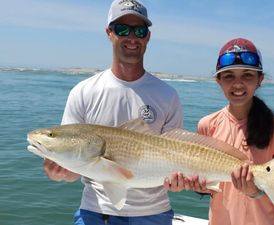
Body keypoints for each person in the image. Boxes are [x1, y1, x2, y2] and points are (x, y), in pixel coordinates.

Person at [42, 0, 188, 224]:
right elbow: (74, 170)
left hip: (154, 214)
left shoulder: (168, 95)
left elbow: (175, 157)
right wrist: (58, 171)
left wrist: (180, 181)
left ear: (147, 36)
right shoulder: (83, 92)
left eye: (139, 30)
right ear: (109, 33)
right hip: (95, 212)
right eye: (122, 29)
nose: (132, 37)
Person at [194, 38, 274, 225]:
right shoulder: (207, 125)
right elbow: (207, 184)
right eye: (228, 76)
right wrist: (198, 186)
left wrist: (255, 192)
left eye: (247, 75)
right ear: (218, 80)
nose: (238, 84)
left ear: (260, 79)